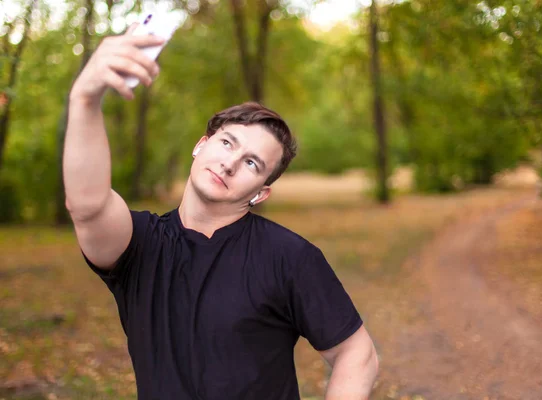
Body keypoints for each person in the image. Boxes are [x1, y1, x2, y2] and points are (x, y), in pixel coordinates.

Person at [63, 22, 379, 400]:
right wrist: (84, 99)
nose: (230, 163)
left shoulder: (289, 257)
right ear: (201, 145)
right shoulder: (140, 245)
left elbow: (356, 353)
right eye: (228, 142)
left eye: (251, 163)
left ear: (261, 194)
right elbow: (87, 205)